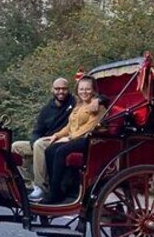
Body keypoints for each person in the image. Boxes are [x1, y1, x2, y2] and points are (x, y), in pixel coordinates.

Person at [41, 75, 106, 205]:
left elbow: (90, 127)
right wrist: (57, 135)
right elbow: (69, 126)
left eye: (88, 89)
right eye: (81, 89)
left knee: (61, 151)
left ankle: (54, 193)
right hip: (76, 138)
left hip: (89, 139)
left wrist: (70, 138)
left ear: (93, 91)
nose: (84, 92)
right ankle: (58, 189)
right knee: (49, 150)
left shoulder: (96, 106)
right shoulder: (79, 105)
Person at [12, 78, 76, 202]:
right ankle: (27, 183)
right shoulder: (47, 109)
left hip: (62, 141)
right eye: (57, 89)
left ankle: (41, 186)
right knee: (16, 146)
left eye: (64, 89)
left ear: (68, 90)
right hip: (44, 140)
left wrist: (100, 100)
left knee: (39, 145)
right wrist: (33, 143)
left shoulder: (74, 103)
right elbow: (37, 131)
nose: (61, 91)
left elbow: (95, 99)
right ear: (52, 90)